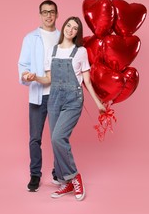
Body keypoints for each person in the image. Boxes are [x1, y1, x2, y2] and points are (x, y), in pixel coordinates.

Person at [27, 16, 106, 200]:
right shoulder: (52, 51)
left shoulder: (81, 51)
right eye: (69, 25)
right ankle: (66, 182)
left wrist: (98, 103)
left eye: (75, 28)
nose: (71, 29)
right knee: (56, 142)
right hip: (54, 99)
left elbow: (86, 80)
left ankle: (75, 176)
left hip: (73, 100)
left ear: (77, 33)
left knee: (58, 137)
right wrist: (35, 78)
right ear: (64, 27)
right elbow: (48, 79)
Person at [18, 0, 60, 192]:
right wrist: (26, 75)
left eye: (52, 12)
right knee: (35, 138)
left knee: (57, 137)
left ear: (57, 15)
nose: (48, 15)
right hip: (37, 94)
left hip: (57, 95)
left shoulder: (63, 37)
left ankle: (58, 172)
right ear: (40, 15)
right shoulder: (30, 38)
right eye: (45, 12)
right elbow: (23, 65)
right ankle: (35, 174)